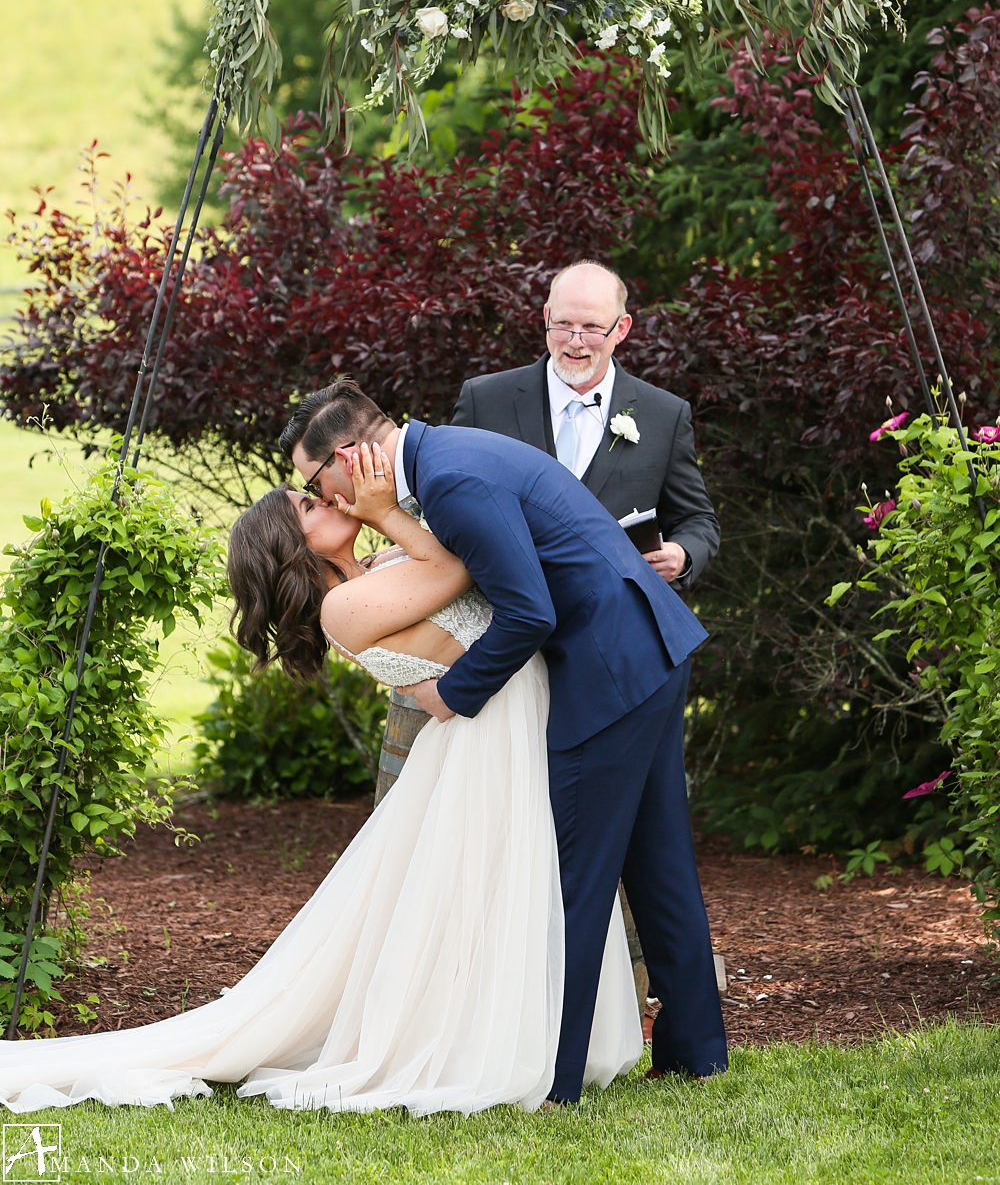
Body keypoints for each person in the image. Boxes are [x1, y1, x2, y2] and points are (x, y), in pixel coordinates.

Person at [0, 444, 641, 1115]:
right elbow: (457, 567)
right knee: (503, 886)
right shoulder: (346, 607)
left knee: (518, 885)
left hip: (505, 715)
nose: (328, 499)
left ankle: (535, 1030)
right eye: (310, 505)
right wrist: (387, 512)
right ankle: (490, 1044)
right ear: (292, 546)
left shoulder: (375, 569)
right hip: (493, 733)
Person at [284, 378, 728, 1103]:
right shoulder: (445, 460)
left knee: (575, 879)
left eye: (315, 480)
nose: (325, 495)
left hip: (609, 671)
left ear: (345, 455)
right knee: (657, 862)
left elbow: (528, 613)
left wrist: (449, 697)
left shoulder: (450, 480)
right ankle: (695, 1053)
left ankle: (553, 1076)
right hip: (644, 650)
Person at [451, 261, 719, 590]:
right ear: (546, 317)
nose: (575, 342)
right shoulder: (484, 401)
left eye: (592, 327)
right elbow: (447, 501)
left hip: (612, 620)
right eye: (563, 324)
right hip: (500, 611)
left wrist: (681, 554)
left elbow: (697, 519)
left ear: (621, 329)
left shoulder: (666, 415)